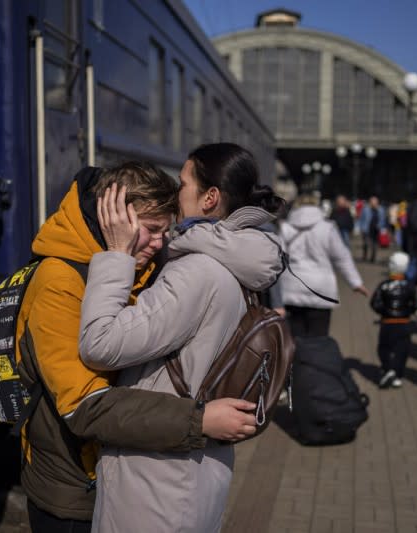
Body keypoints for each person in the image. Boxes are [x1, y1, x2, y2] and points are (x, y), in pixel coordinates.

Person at [16, 163, 257, 532]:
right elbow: (86, 408)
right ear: (115, 218)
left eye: (167, 230)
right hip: (75, 490)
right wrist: (199, 420)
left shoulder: (142, 263)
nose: (162, 243)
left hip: (121, 477)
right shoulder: (58, 282)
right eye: (152, 230)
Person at [77, 143, 285, 533]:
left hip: (157, 482)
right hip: (196, 470)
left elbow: (100, 344)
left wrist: (117, 254)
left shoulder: (197, 273)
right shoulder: (236, 269)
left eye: (183, 182)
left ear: (210, 198)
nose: (176, 192)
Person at [279, 193, 370, 338]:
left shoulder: (286, 228)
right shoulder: (327, 227)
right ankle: (315, 360)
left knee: (294, 337)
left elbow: (278, 259)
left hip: (292, 286)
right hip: (320, 290)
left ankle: (296, 360)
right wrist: (356, 283)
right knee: (318, 337)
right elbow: (342, 257)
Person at [370, 252, 417, 388]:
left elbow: (375, 303)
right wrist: (407, 313)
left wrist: (385, 312)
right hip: (404, 323)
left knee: (384, 348)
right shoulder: (410, 286)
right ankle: (397, 375)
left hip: (387, 323)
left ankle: (388, 369)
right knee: (402, 350)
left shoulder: (384, 285)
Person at [359, 195, 386, 263]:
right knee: (366, 243)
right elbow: (361, 218)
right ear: (370, 202)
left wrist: (382, 228)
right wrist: (361, 227)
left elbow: (383, 219)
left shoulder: (381, 209)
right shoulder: (365, 209)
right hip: (366, 229)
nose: (374, 203)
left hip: (376, 229)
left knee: (375, 244)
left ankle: (373, 257)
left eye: (375, 201)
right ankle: (364, 256)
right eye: (372, 201)